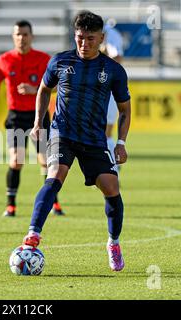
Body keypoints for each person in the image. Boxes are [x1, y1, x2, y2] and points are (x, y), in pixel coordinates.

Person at [21, 11, 131, 272]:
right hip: (63, 133)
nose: (84, 44)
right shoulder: (60, 61)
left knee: (111, 187)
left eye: (91, 39)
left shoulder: (113, 70)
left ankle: (113, 242)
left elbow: (125, 109)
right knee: (55, 175)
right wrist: (38, 122)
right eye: (80, 38)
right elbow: (44, 90)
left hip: (94, 139)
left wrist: (121, 143)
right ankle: (33, 234)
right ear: (75, 35)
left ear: (101, 38)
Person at [0, 20, 64, 217]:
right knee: (16, 160)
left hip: (39, 115)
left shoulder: (43, 59)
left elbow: (57, 86)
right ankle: (10, 205)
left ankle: (52, 202)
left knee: (47, 161)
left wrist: (35, 90)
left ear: (32, 36)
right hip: (16, 117)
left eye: (25, 34)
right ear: (13, 37)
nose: (22, 38)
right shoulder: (4, 60)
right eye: (18, 34)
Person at [101, 19, 124, 164]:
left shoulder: (110, 33)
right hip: (98, 87)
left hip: (108, 88)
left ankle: (111, 169)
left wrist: (100, 55)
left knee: (106, 132)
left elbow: (117, 57)